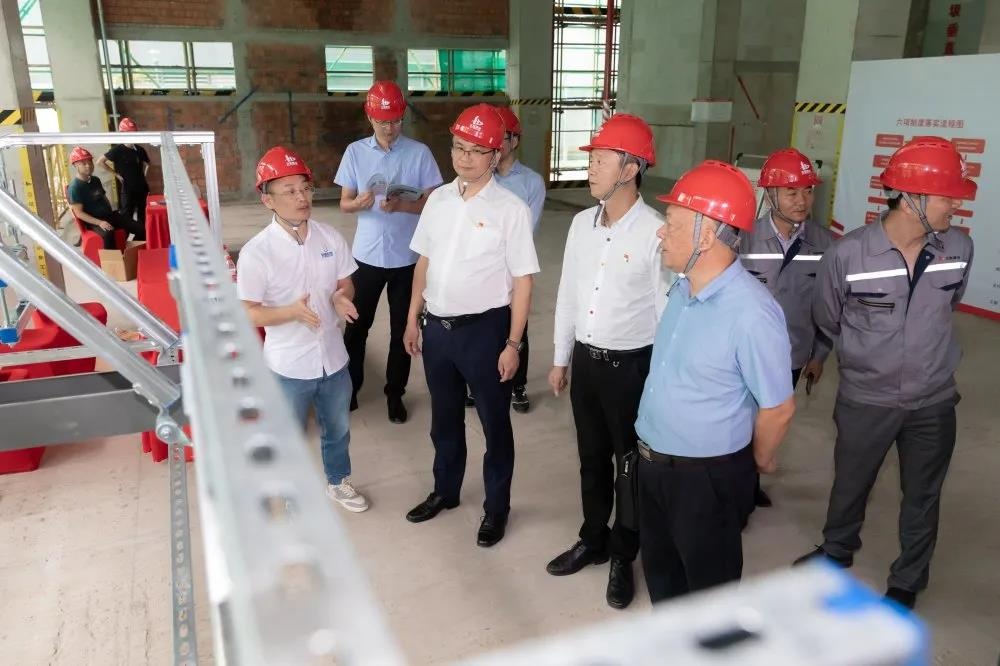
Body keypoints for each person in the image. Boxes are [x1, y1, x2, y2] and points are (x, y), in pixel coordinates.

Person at [793, 136, 975, 610]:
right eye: (947, 196)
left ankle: (908, 579)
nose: (956, 205)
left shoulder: (959, 247)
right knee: (850, 482)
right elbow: (828, 317)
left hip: (933, 400)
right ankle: (837, 550)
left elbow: (949, 305)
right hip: (865, 398)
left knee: (923, 495)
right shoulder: (848, 254)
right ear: (911, 200)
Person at [635, 160, 796, 603]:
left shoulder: (751, 313)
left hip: (704, 480)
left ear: (706, 237)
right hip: (653, 466)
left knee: (710, 597)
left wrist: (753, 463)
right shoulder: (681, 288)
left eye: (672, 223)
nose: (660, 232)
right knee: (663, 578)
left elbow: (779, 408)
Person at [402, 104, 539, 547]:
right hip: (437, 329)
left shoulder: (510, 209)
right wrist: (412, 318)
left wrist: (513, 344)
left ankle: (496, 509)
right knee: (443, 419)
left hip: (485, 331)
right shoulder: (438, 200)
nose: (464, 157)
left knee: (494, 425)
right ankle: (446, 490)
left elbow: (523, 281)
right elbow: (423, 262)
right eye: (459, 147)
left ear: (496, 155)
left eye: (477, 150)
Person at [545, 114, 666, 610]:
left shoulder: (656, 232)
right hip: (587, 366)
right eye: (591, 160)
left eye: (600, 160)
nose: (590, 168)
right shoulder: (580, 225)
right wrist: (560, 358)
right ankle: (593, 538)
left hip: (632, 369)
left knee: (628, 466)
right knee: (591, 458)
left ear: (631, 168)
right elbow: (568, 295)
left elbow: (665, 314)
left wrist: (661, 384)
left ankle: (623, 552)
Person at [237, 146, 369, 513]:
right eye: (290, 190)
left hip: (333, 358)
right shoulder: (257, 253)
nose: (302, 197)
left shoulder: (329, 237)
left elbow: (346, 282)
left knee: (338, 429)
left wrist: (341, 297)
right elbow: (248, 313)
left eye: (305, 188)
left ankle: (338, 481)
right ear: (268, 200)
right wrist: (290, 312)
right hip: (288, 366)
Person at [336, 81, 443, 424]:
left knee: (403, 329)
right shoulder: (355, 152)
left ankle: (395, 394)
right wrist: (359, 203)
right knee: (356, 326)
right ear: (370, 116)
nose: (390, 128)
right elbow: (344, 203)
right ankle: (350, 388)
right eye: (383, 121)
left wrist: (402, 206)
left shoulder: (419, 153)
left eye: (396, 120)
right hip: (366, 256)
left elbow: (435, 204)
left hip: (407, 258)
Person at [739, 148, 833, 511]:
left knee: (770, 423)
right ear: (769, 194)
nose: (802, 200)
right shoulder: (744, 239)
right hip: (744, 355)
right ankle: (737, 487)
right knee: (738, 424)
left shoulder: (825, 245)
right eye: (791, 192)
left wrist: (819, 354)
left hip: (791, 355)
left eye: (808, 191)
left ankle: (751, 482)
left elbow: (827, 307)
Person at [487, 105, 546, 414]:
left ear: (515, 140)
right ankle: (481, 380)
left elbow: (527, 230)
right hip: (482, 268)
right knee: (483, 325)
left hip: (514, 268)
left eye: (501, 136)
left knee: (516, 326)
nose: (495, 143)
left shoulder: (531, 182)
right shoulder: (481, 176)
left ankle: (518, 385)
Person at [67, 146, 145, 249]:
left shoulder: (95, 180)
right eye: (84, 163)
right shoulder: (75, 187)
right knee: (108, 233)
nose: (88, 166)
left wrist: (114, 215)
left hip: (109, 215)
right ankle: (111, 258)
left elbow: (103, 198)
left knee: (140, 228)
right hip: (94, 221)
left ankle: (131, 251)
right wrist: (100, 222)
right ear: (75, 165)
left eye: (90, 162)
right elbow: (79, 213)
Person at [97, 117, 151, 233]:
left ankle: (141, 238)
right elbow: (100, 162)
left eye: (134, 133)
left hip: (142, 188)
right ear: (122, 134)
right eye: (129, 133)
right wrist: (116, 174)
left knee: (143, 215)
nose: (132, 136)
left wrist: (143, 176)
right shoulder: (117, 150)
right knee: (127, 217)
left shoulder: (140, 150)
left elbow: (147, 164)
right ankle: (125, 240)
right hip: (127, 189)